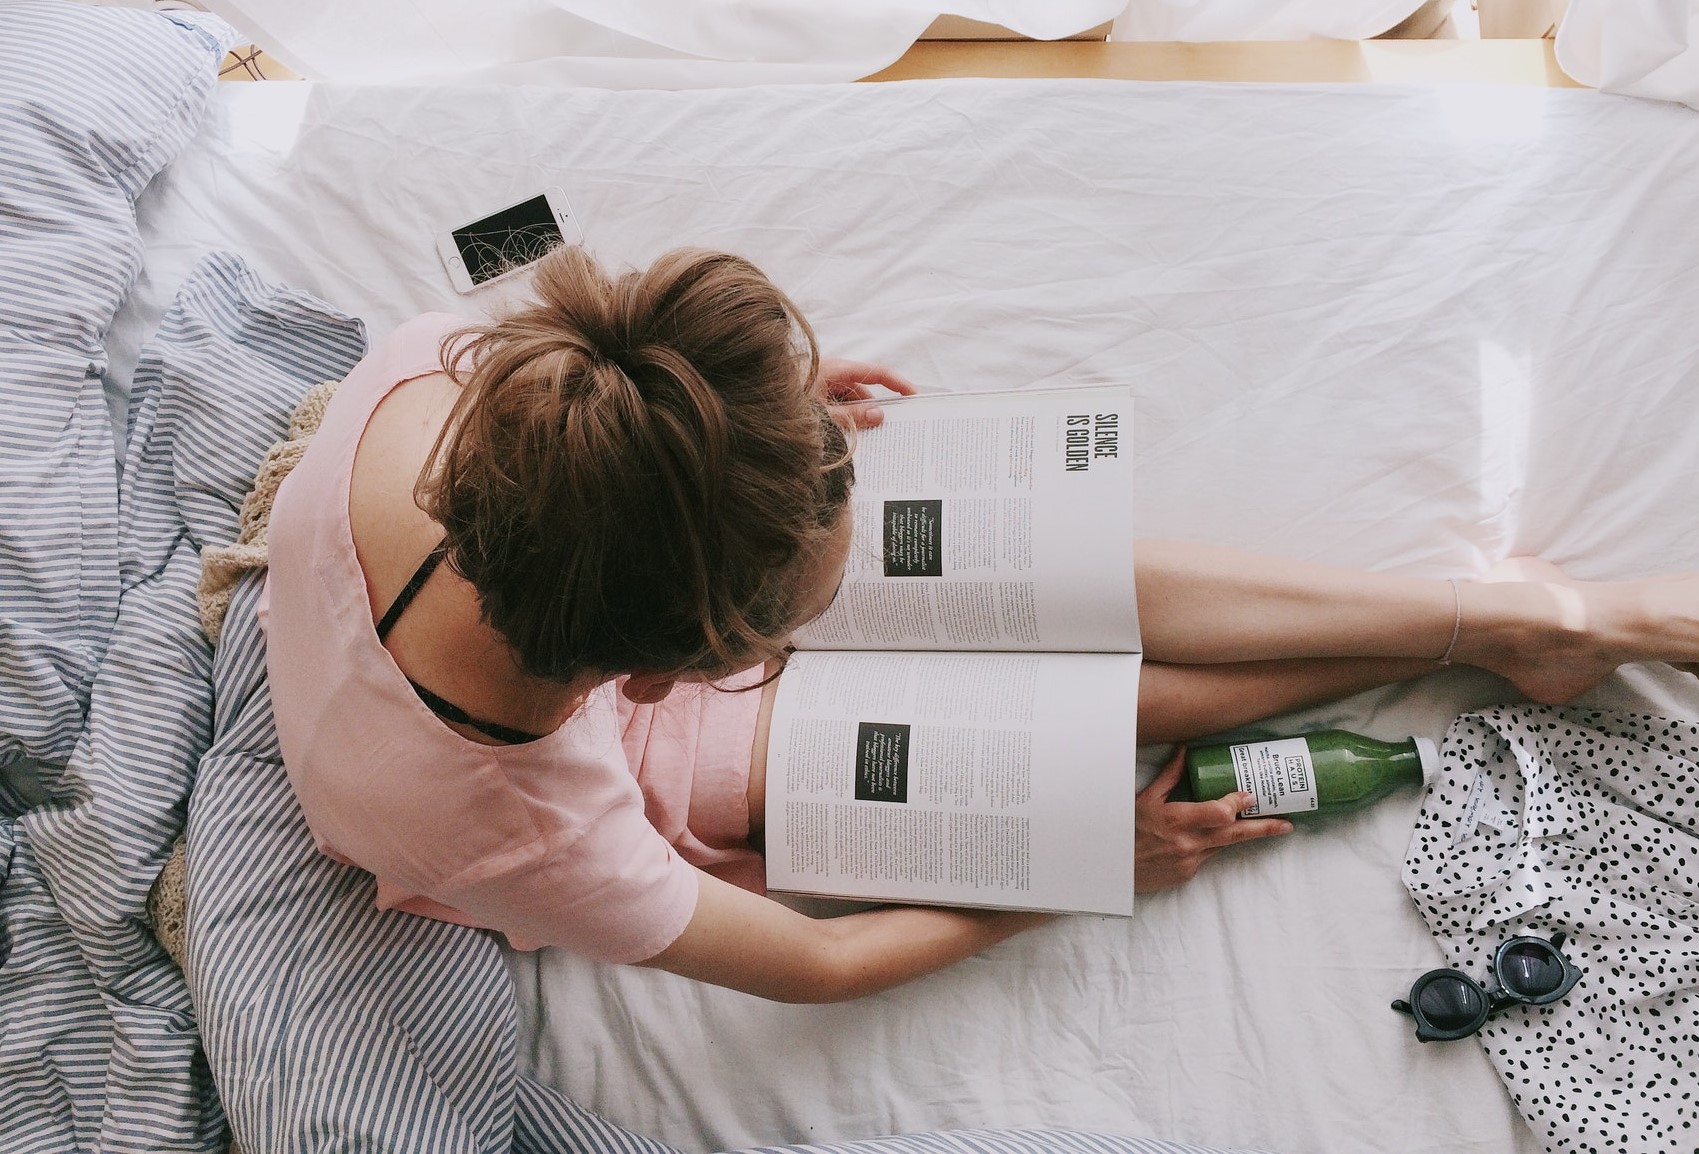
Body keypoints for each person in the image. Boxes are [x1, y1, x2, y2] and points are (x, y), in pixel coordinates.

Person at [263, 244, 1699, 1003]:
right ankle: (1483, 638)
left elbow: (531, 257)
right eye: (768, 629)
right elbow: (819, 968)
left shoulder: (464, 372)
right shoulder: (529, 827)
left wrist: (754, 427)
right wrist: (1082, 865)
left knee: (1018, 570)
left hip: (564, 596)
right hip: (560, 762)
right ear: (657, 671)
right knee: (1007, 726)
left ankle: (1492, 621)